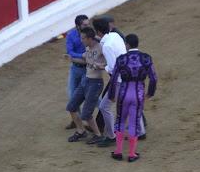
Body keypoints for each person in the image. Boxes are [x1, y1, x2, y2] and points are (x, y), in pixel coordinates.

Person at [92, 18, 147, 148]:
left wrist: (100, 66)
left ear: (98, 31)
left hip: (120, 80)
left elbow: (112, 67)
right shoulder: (115, 36)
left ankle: (111, 136)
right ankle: (141, 132)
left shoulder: (107, 46)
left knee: (104, 107)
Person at [109, 34, 157, 162]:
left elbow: (113, 78)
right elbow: (153, 78)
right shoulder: (146, 58)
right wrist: (150, 93)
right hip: (138, 93)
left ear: (127, 44)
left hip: (124, 93)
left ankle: (118, 152)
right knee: (133, 122)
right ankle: (131, 154)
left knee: (120, 120)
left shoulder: (121, 59)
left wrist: (111, 95)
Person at [66, 27, 106, 144]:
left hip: (95, 83)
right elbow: (86, 61)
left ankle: (98, 135)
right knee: (71, 107)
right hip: (86, 80)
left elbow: (109, 63)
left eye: (83, 38)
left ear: (89, 38)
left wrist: (99, 66)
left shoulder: (102, 47)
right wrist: (72, 59)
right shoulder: (87, 47)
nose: (81, 40)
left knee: (86, 113)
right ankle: (81, 131)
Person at [64, 15, 89, 130]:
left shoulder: (90, 34)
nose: (87, 26)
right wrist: (82, 56)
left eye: (88, 24)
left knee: (90, 96)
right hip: (75, 68)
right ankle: (76, 120)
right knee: (71, 95)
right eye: (85, 24)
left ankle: (99, 121)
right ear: (78, 26)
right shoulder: (71, 35)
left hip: (87, 69)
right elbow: (70, 52)